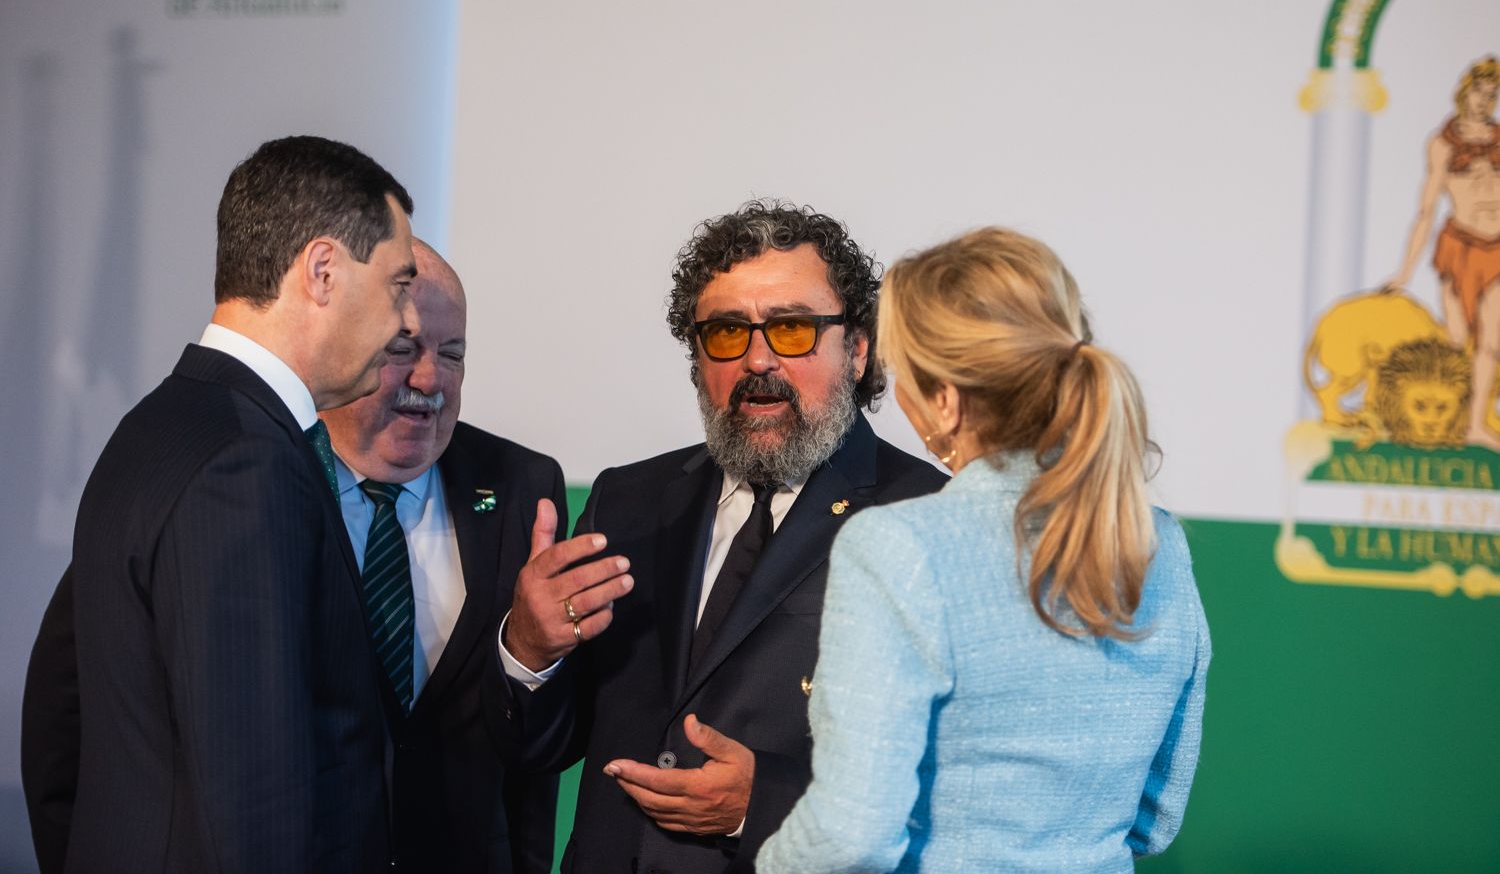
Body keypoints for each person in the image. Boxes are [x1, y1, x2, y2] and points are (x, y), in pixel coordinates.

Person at [498, 200, 946, 873]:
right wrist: (529, 650)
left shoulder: (929, 517)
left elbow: (964, 785)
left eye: (792, 329)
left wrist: (759, 802)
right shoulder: (628, 500)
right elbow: (538, 748)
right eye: (727, 332)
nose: (757, 360)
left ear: (856, 349)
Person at [758, 227, 1210, 873]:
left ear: (946, 399)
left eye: (901, 370)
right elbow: (1156, 818)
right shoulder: (1161, 543)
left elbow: (851, 834)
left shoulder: (898, 547)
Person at [31, 135, 418, 874]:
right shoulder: (245, 463)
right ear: (324, 270)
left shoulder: (159, 426)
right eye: (398, 284)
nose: (406, 322)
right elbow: (255, 800)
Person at [320, 240, 563, 874]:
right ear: (338, 349)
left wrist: (534, 655)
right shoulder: (258, 475)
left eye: (451, 355)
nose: (431, 379)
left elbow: (536, 759)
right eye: (404, 350)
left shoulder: (521, 486)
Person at [1386, 55, 1500, 445]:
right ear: (1464, 92)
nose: (1484, 102)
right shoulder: (1442, 144)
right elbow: (1426, 209)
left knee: (1490, 341)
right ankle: (1454, 422)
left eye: (1492, 95)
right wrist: (1404, 273)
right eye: (1479, 93)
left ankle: (1475, 424)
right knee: (1456, 342)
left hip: (1497, 248)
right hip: (1460, 246)